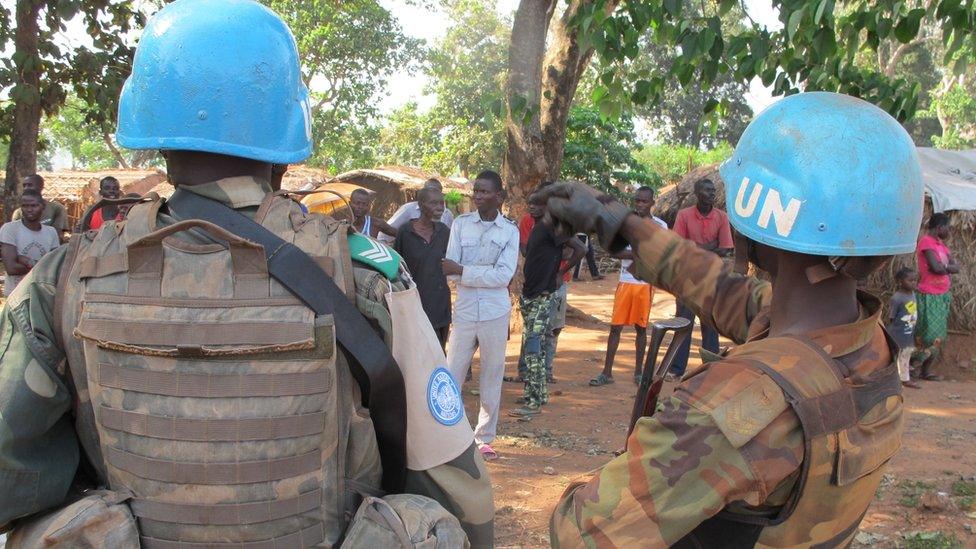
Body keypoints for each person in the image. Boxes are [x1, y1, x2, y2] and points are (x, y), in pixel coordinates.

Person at [0, 3, 493, 547]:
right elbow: (449, 480)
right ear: (285, 145)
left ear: (156, 134)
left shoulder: (63, 278)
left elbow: (11, 474)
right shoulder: (364, 275)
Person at [543, 92, 920, 547]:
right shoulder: (863, 340)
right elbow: (726, 292)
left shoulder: (734, 409)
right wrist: (623, 224)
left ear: (757, 223)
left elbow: (582, 532)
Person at [442, 169, 519, 461]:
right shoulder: (461, 225)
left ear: (498, 196)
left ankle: (484, 437)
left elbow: (503, 276)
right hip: (463, 309)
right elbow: (449, 272)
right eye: (476, 191)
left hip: (495, 311)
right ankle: (449, 435)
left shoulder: (509, 231)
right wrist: (463, 273)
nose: (478, 196)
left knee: (491, 373)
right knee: (452, 372)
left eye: (485, 192)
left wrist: (463, 271)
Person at [509, 192, 583, 418]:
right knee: (536, 346)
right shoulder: (540, 226)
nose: (532, 207)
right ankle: (538, 393)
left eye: (537, 204)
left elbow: (581, 249)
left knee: (533, 347)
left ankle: (532, 402)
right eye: (531, 203)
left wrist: (562, 271)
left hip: (542, 294)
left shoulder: (553, 225)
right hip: (532, 292)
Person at [589, 186, 667, 387]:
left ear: (652, 202)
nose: (640, 204)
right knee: (615, 327)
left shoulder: (660, 226)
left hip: (645, 283)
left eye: (644, 201)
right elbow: (615, 252)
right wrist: (639, 253)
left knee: (641, 328)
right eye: (637, 201)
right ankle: (607, 372)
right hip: (626, 281)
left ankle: (639, 373)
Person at [667, 177, 734, 379]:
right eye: (707, 190)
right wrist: (709, 246)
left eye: (713, 191)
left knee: (710, 325)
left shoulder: (721, 217)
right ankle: (676, 369)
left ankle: (710, 368)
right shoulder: (684, 215)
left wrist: (694, 247)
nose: (712, 194)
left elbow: (725, 248)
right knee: (684, 323)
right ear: (697, 193)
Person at [394, 186, 452, 350]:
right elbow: (398, 269)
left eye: (442, 203)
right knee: (419, 354)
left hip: (440, 304)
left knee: (439, 354)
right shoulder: (405, 232)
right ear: (421, 205)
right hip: (415, 305)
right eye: (434, 203)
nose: (440, 208)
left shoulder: (444, 232)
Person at [914, 212, 958, 381]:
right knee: (929, 335)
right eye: (948, 228)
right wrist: (946, 267)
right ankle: (913, 367)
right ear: (939, 227)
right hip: (929, 296)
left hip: (941, 296)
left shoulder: (941, 246)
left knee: (937, 335)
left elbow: (955, 266)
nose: (949, 231)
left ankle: (925, 370)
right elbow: (936, 268)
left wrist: (944, 266)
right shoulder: (926, 243)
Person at [0, 189, 61, 297]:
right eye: (25, 206)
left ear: (43, 207)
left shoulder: (50, 232)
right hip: (16, 295)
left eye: (34, 206)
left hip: (42, 295)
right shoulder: (10, 229)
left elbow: (54, 266)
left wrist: (27, 261)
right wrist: (43, 267)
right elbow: (11, 268)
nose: (29, 209)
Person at [888, 267, 922, 389]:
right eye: (910, 280)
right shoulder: (897, 298)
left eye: (915, 280)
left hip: (909, 331)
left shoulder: (912, 294)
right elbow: (891, 318)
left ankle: (902, 378)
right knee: (899, 356)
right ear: (900, 281)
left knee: (905, 355)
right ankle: (903, 379)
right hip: (898, 333)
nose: (913, 282)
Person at [12, 174, 70, 241]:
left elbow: (56, 236)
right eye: (24, 185)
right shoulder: (18, 213)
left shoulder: (57, 208)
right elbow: (16, 236)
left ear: (41, 187)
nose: (26, 188)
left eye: (30, 185)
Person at [387, 178, 456, 233]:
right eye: (429, 190)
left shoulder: (447, 214)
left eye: (436, 191)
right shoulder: (408, 209)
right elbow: (389, 228)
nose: (433, 194)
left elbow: (450, 238)